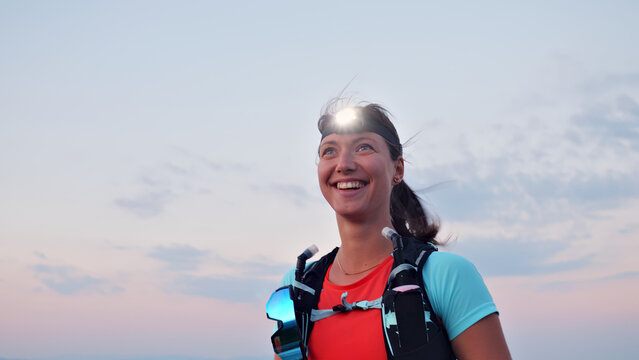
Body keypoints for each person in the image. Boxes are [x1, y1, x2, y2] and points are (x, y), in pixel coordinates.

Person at [274, 100, 511, 359]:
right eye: (329, 151)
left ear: (397, 169)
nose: (343, 164)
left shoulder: (444, 276)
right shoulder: (298, 287)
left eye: (363, 147)